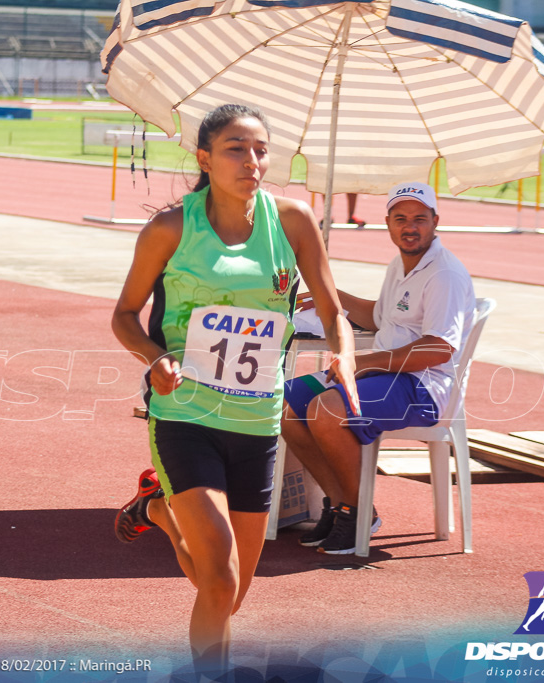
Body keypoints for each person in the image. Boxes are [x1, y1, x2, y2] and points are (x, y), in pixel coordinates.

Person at [111, 103, 359, 673]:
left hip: (256, 422)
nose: (252, 161)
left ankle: (160, 513)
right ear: (205, 157)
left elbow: (333, 310)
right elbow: (124, 315)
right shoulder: (171, 228)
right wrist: (153, 359)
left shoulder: (293, 222)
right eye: (235, 149)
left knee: (227, 592)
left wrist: (343, 355)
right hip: (186, 414)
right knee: (219, 577)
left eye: (261, 150)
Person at [281, 182, 475, 555]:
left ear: (435, 221)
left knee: (324, 411)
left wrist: (363, 362)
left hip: (424, 387)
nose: (410, 227)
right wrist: (329, 297)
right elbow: (378, 317)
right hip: (387, 375)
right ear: (387, 223)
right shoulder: (400, 264)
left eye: (420, 218)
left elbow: (438, 348)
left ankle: (356, 515)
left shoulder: (443, 274)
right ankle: (342, 506)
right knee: (288, 404)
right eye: (400, 219)